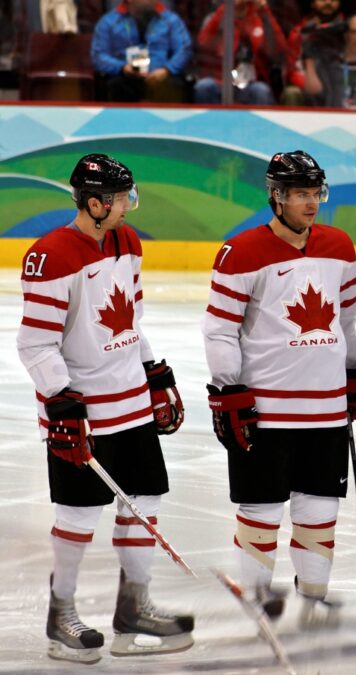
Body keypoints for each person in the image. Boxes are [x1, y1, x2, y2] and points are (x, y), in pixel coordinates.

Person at [17, 154, 191, 664]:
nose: (128, 206)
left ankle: (133, 610)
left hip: (131, 403)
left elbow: (129, 317)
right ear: (94, 204)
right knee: (78, 514)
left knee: (147, 501)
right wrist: (62, 403)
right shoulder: (51, 255)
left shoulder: (127, 242)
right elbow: (35, 345)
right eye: (119, 199)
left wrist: (153, 371)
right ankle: (61, 616)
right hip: (84, 410)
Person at [201, 151, 356, 625]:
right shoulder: (241, 252)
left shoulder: (340, 246)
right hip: (266, 411)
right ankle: (256, 604)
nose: (311, 202)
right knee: (261, 513)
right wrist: (228, 390)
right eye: (300, 194)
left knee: (319, 512)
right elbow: (218, 330)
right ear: (276, 197)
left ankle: (313, 602)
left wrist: (354, 370)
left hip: (325, 410)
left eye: (316, 192)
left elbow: (347, 318)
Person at [91, 0, 192, 103]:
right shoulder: (108, 21)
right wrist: (122, 67)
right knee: (115, 85)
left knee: (176, 86)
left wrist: (167, 70)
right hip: (125, 76)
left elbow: (184, 50)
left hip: (162, 76)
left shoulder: (171, 20)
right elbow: (99, 56)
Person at [194, 0, 288, 106]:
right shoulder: (217, 16)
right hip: (220, 81)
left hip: (251, 83)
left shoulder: (260, 18)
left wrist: (264, 10)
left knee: (261, 91)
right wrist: (228, 8)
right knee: (204, 87)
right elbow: (203, 44)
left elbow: (279, 51)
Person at [280, 0, 346, 106]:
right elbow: (292, 71)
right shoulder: (300, 33)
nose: (328, 2)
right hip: (310, 88)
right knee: (291, 93)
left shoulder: (351, 31)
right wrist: (312, 85)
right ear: (313, 3)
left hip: (342, 86)